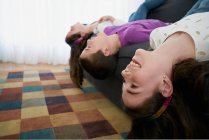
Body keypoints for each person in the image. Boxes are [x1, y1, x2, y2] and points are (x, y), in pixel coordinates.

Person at [121, 12, 209, 138]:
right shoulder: (205, 48)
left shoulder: (155, 37)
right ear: (165, 85)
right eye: (134, 86)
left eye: (124, 82)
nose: (123, 73)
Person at [66, 16, 170, 87]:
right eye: (89, 47)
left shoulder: (107, 31)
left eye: (86, 46)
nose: (88, 41)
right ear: (106, 51)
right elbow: (163, 32)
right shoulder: (131, 34)